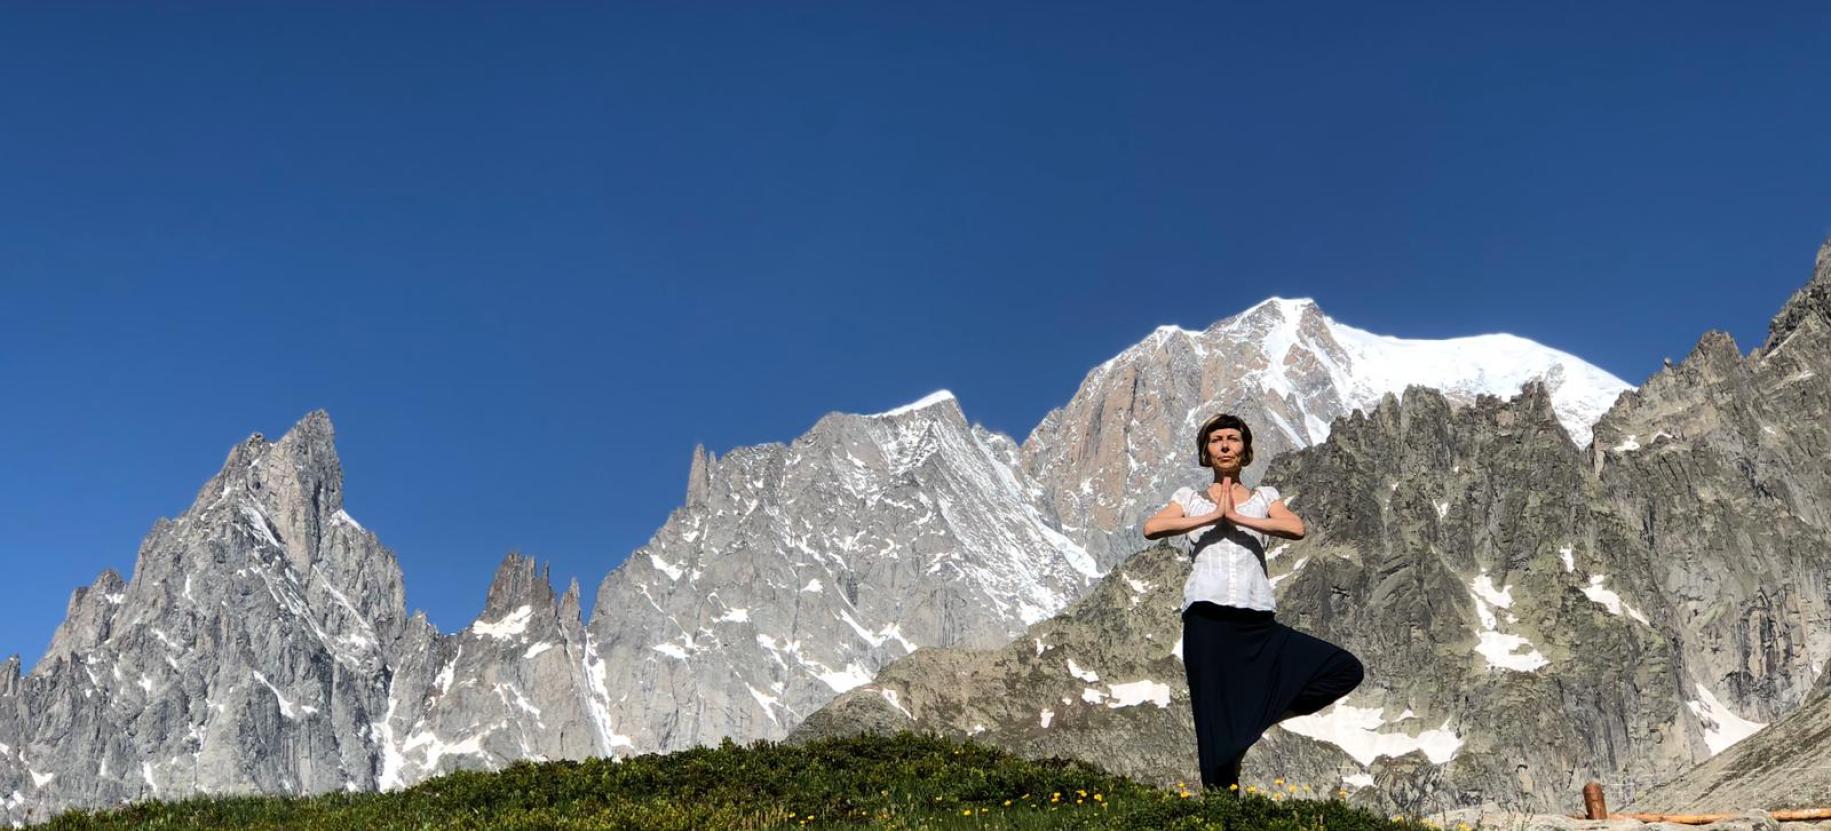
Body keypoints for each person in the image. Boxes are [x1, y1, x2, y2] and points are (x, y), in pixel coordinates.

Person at [1143, 413, 1364, 792]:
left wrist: (1240, 518)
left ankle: (1256, 720)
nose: (1225, 445)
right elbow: (1153, 528)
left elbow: (1295, 528)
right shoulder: (1188, 499)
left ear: (1245, 449)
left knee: (1345, 668)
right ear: (1206, 452)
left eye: (1232, 438)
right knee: (1213, 721)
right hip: (1206, 619)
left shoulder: (1265, 498)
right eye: (1216, 440)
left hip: (1256, 620)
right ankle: (1222, 805)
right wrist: (1214, 516)